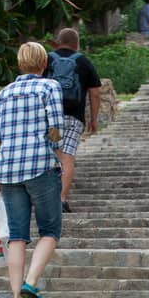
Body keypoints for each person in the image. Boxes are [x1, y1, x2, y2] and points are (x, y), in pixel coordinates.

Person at [0, 41, 64, 298]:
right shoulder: (49, 87)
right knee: (50, 230)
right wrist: (55, 150)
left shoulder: (4, 93)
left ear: (19, 64)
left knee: (17, 236)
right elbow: (55, 128)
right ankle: (31, 283)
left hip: (8, 169)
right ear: (44, 63)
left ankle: (16, 297)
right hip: (39, 165)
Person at [46, 26, 101, 215]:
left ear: (58, 42)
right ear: (76, 44)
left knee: (50, 156)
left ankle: (44, 199)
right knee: (67, 157)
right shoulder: (84, 62)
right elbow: (95, 93)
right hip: (74, 117)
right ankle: (61, 199)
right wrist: (93, 119)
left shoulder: (47, 59)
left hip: (48, 116)